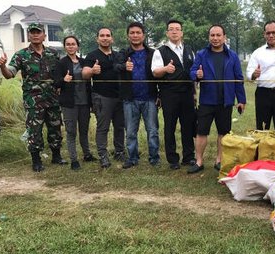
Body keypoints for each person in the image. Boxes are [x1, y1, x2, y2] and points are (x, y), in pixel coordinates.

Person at [0, 22, 67, 172]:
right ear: (28, 35)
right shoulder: (21, 55)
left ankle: (56, 156)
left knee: (55, 128)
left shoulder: (53, 53)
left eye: (38, 32)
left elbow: (60, 74)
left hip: (53, 99)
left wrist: (62, 85)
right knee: (34, 131)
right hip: (34, 101)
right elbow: (10, 74)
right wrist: (2, 66)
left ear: (44, 35)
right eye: (32, 32)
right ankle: (36, 160)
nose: (35, 35)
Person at [187, 24, 246, 174]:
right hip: (207, 101)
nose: (215, 38)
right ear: (209, 37)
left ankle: (219, 160)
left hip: (225, 101)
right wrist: (197, 75)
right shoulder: (202, 54)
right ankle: (199, 161)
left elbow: (238, 79)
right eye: (212, 35)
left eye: (218, 35)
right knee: (201, 132)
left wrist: (241, 99)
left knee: (223, 132)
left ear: (224, 37)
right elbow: (192, 71)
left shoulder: (232, 56)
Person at [151, 19, 196, 170]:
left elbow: (193, 72)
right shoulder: (160, 51)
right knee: (170, 126)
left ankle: (188, 157)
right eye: (171, 29)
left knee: (188, 125)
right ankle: (173, 159)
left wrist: (195, 93)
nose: (175, 31)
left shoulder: (189, 50)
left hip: (187, 94)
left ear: (182, 32)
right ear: (167, 33)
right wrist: (165, 69)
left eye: (177, 29)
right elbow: (155, 72)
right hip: (169, 94)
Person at [117, 22, 160, 169]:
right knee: (130, 132)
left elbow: (158, 74)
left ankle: (154, 157)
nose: (135, 35)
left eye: (138, 32)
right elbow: (115, 66)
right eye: (132, 33)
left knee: (153, 131)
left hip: (150, 97)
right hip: (130, 99)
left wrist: (158, 94)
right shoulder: (123, 53)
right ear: (128, 35)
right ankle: (132, 158)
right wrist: (124, 66)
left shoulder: (153, 53)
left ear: (143, 35)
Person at [82, 27, 125, 168]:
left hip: (119, 96)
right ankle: (103, 155)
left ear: (112, 38)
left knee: (119, 126)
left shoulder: (119, 55)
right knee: (103, 127)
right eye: (102, 35)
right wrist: (92, 71)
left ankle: (119, 152)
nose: (105, 38)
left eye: (107, 35)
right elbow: (84, 74)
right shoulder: (92, 55)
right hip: (102, 97)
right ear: (97, 39)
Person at [53, 35, 96, 170]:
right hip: (69, 103)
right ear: (65, 46)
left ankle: (87, 154)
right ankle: (74, 160)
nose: (71, 46)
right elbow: (55, 83)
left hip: (84, 102)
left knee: (84, 131)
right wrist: (63, 80)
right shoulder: (61, 63)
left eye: (73, 44)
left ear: (77, 46)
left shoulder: (84, 62)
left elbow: (90, 79)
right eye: (68, 44)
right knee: (71, 132)